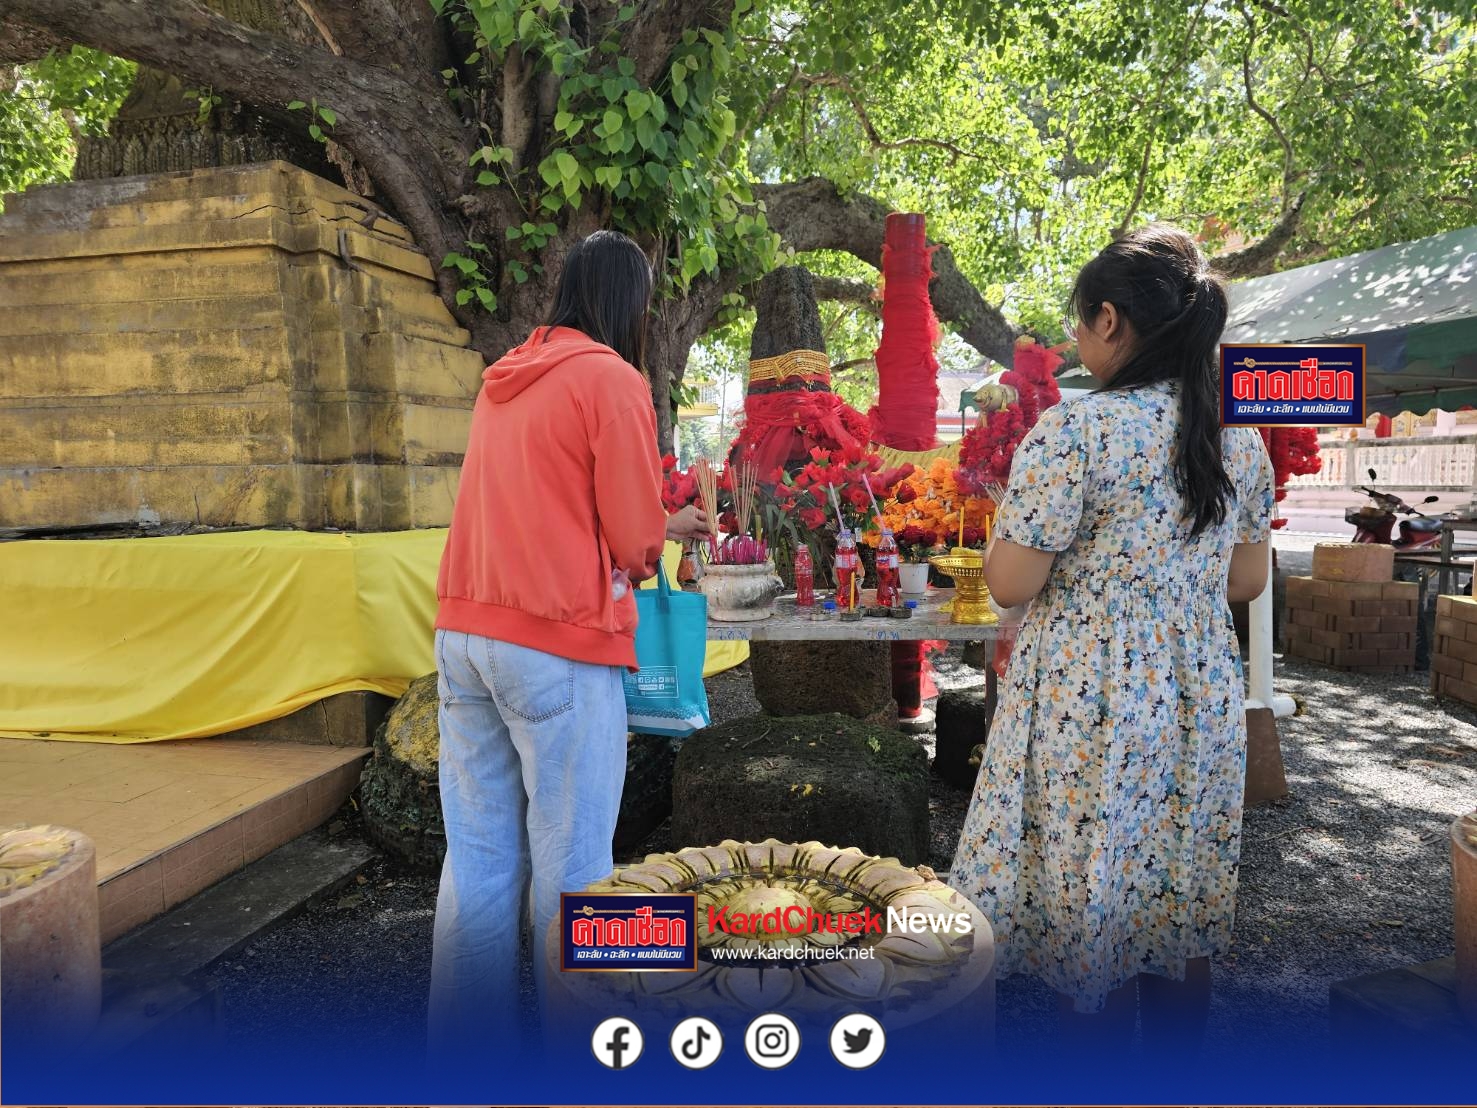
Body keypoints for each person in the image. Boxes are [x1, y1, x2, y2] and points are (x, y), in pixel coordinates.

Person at [951, 224, 1274, 1060]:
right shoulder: (1238, 438)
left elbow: (1011, 583)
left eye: (1077, 322)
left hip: (1089, 695)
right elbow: (1245, 583)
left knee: (1092, 892)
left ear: (1109, 320)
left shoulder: (1076, 432)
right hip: (1195, 692)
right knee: (1176, 892)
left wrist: (1001, 532)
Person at [428, 230, 708, 1061]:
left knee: (477, 857)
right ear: (632, 303)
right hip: (555, 644)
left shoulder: (504, 378)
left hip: (464, 634)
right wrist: (665, 529)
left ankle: (461, 1062)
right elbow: (630, 537)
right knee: (577, 861)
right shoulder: (610, 380)